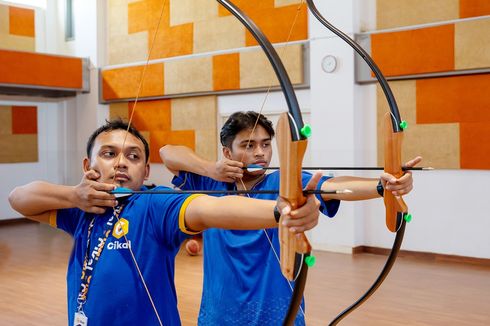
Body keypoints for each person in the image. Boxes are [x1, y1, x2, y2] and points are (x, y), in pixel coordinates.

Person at [8, 119, 322, 326]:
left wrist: (279, 213)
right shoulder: (81, 208)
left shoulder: (155, 203)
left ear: (146, 172)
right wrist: (73, 195)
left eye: (133, 157)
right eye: (109, 153)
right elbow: (19, 197)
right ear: (88, 165)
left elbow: (210, 209)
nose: (120, 162)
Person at [160, 111, 421, 325]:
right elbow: (167, 152)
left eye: (265, 144)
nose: (260, 153)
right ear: (227, 153)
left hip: (277, 315)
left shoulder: (285, 182)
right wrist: (211, 169)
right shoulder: (210, 183)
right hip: (219, 316)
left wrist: (381, 186)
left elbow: (332, 187)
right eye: (248, 145)